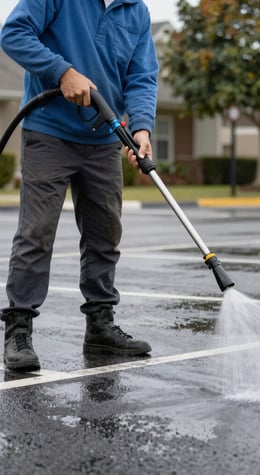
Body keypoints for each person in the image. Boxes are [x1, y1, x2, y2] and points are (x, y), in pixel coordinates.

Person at [0, 0, 159, 371]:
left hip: (104, 137)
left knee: (106, 232)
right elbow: (13, 33)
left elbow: (141, 76)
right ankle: (18, 327)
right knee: (36, 232)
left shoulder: (136, 11)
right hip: (48, 131)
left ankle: (100, 325)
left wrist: (141, 129)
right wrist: (62, 72)